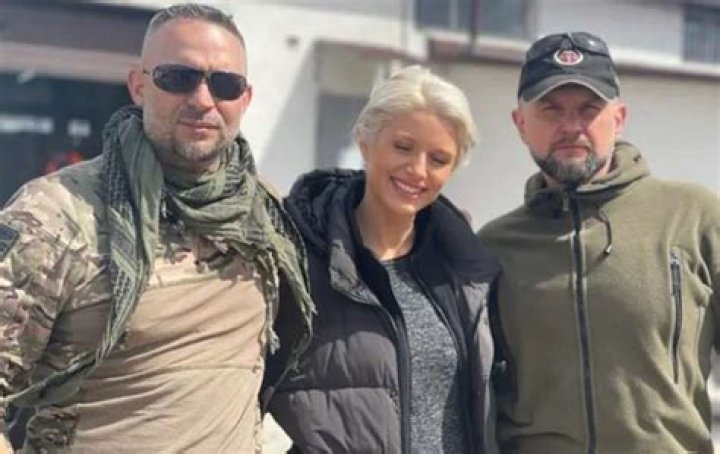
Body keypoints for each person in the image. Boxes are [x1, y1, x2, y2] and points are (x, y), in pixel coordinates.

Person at [0, 3, 313, 453]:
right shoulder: (56, 214)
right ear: (139, 86)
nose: (202, 100)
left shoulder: (264, 216)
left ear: (244, 100)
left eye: (224, 84)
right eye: (178, 77)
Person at [479, 31, 720, 453]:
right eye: (551, 110)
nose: (571, 127)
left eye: (589, 109)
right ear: (520, 124)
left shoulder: (695, 217)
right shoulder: (493, 247)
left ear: (619, 118)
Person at [264, 65, 499, 453]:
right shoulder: (298, 255)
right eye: (403, 147)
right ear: (366, 140)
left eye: (438, 159)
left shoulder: (464, 268)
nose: (418, 170)